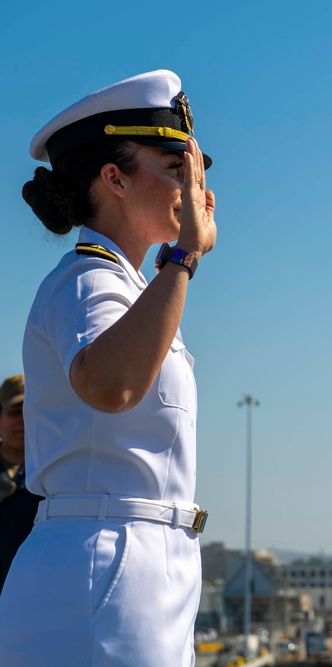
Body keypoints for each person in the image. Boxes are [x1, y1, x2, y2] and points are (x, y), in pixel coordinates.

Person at [0, 70, 216, 666]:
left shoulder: (130, 287)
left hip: (139, 567)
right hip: (103, 568)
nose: (192, 188)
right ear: (114, 178)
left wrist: (174, 268)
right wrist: (184, 258)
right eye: (175, 167)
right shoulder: (86, 279)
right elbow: (111, 384)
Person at [0, 374, 42, 593]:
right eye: (15, 412)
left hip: (34, 594)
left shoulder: (54, 474)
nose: (24, 419)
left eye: (31, 410)